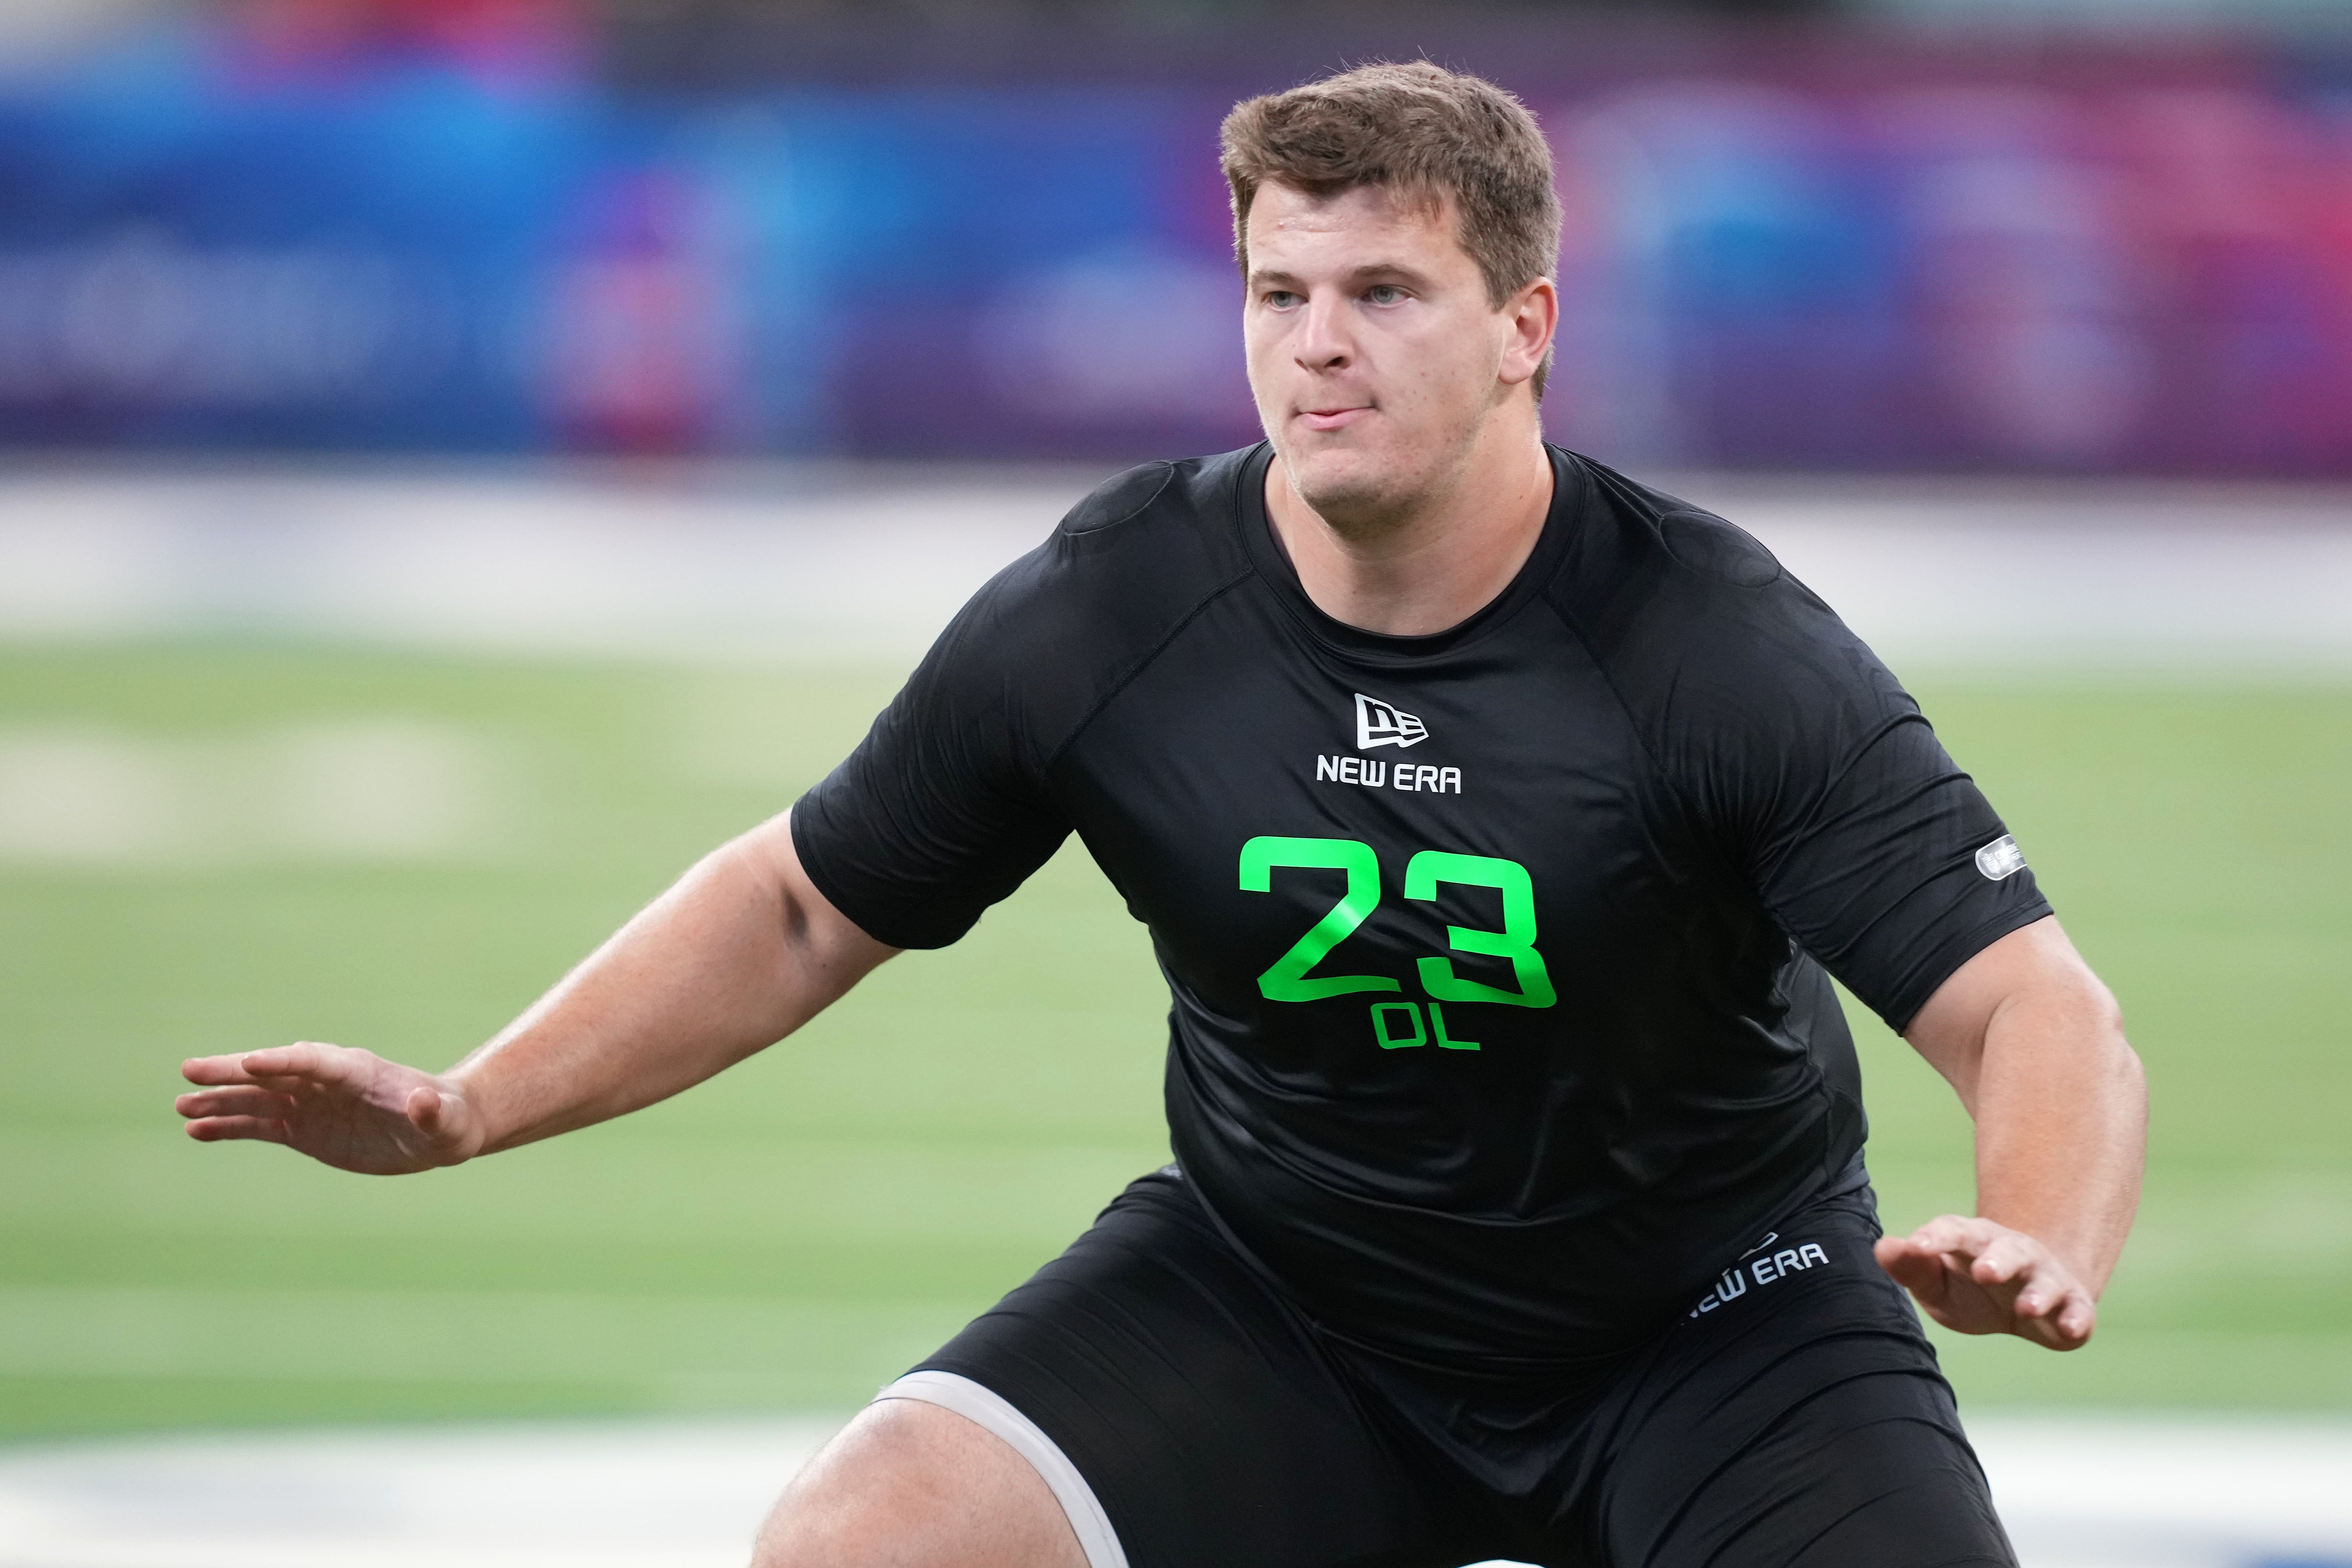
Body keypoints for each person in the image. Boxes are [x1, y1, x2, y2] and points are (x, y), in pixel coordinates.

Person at [177, 61, 2147, 1568]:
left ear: (1527, 325)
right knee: (847, 1548)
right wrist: (468, 1106)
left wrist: (2040, 1232)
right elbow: (802, 901)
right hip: (1293, 1293)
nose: (1316, 344)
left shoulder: (1709, 641)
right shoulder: (1123, 599)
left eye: (1383, 289)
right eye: (1277, 289)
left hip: (1712, 1321)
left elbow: (2029, 1002)